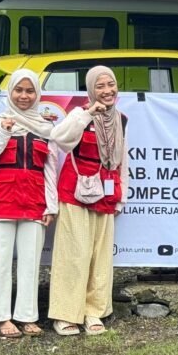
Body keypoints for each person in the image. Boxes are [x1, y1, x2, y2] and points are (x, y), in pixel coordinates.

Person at [47, 65, 129, 336]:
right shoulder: (79, 113)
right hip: (76, 193)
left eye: (111, 84)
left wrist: (121, 197)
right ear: (91, 90)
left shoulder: (121, 120)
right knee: (74, 255)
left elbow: (122, 161)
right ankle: (65, 314)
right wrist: (87, 114)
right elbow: (60, 139)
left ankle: (94, 312)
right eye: (100, 86)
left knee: (100, 257)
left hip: (106, 195)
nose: (107, 91)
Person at [0, 69, 58, 338]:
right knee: (0, 262)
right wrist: (3, 133)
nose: (24, 96)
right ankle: (0, 316)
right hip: (0, 201)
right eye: (19, 90)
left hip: (34, 202)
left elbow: (50, 170)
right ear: (9, 92)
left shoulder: (46, 128)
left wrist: (51, 205)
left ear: (37, 94)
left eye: (30, 91)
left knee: (30, 263)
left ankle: (27, 316)